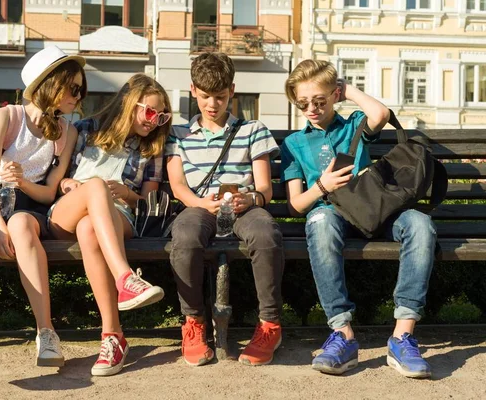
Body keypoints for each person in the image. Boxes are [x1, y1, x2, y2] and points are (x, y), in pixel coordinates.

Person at [281, 59, 435, 378]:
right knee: (319, 221)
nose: (311, 108)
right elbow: (296, 204)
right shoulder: (294, 144)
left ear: (333, 96)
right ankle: (343, 335)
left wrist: (345, 88)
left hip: (373, 210)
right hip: (331, 215)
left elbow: (379, 115)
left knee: (420, 224)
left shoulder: (352, 125)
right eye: (303, 102)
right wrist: (322, 186)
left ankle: (402, 336)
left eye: (319, 100)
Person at [0, 45, 85, 372]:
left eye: (81, 90)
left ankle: (46, 333)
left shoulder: (67, 132)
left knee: (22, 225)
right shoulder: (7, 117)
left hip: (27, 204)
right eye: (72, 88)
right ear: (48, 83)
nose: (78, 96)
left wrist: (22, 184)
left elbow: (49, 193)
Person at [166, 52, 284, 367]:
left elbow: (265, 189)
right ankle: (193, 323)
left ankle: (270, 324)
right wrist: (200, 203)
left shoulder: (253, 129)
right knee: (186, 235)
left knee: (265, 233)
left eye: (220, 96)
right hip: (199, 205)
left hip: (245, 208)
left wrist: (252, 200)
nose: (212, 104)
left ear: (232, 90)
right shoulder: (178, 134)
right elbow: (178, 186)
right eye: (205, 96)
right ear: (193, 90)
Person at [47, 73, 170, 376]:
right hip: (67, 212)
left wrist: (128, 193)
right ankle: (126, 279)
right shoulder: (84, 129)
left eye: (162, 115)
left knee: (90, 227)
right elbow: (56, 176)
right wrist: (67, 184)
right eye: (151, 112)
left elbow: (148, 202)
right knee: (96, 187)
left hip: (118, 216)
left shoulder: (151, 147)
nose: (155, 121)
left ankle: (112, 337)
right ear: (130, 103)